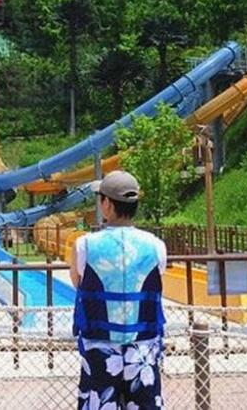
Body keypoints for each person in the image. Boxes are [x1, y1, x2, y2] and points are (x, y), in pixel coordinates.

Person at [69, 170, 167, 410]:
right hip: (142, 349)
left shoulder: (84, 245)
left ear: (108, 204)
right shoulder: (156, 246)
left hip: (99, 348)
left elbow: (77, 282)